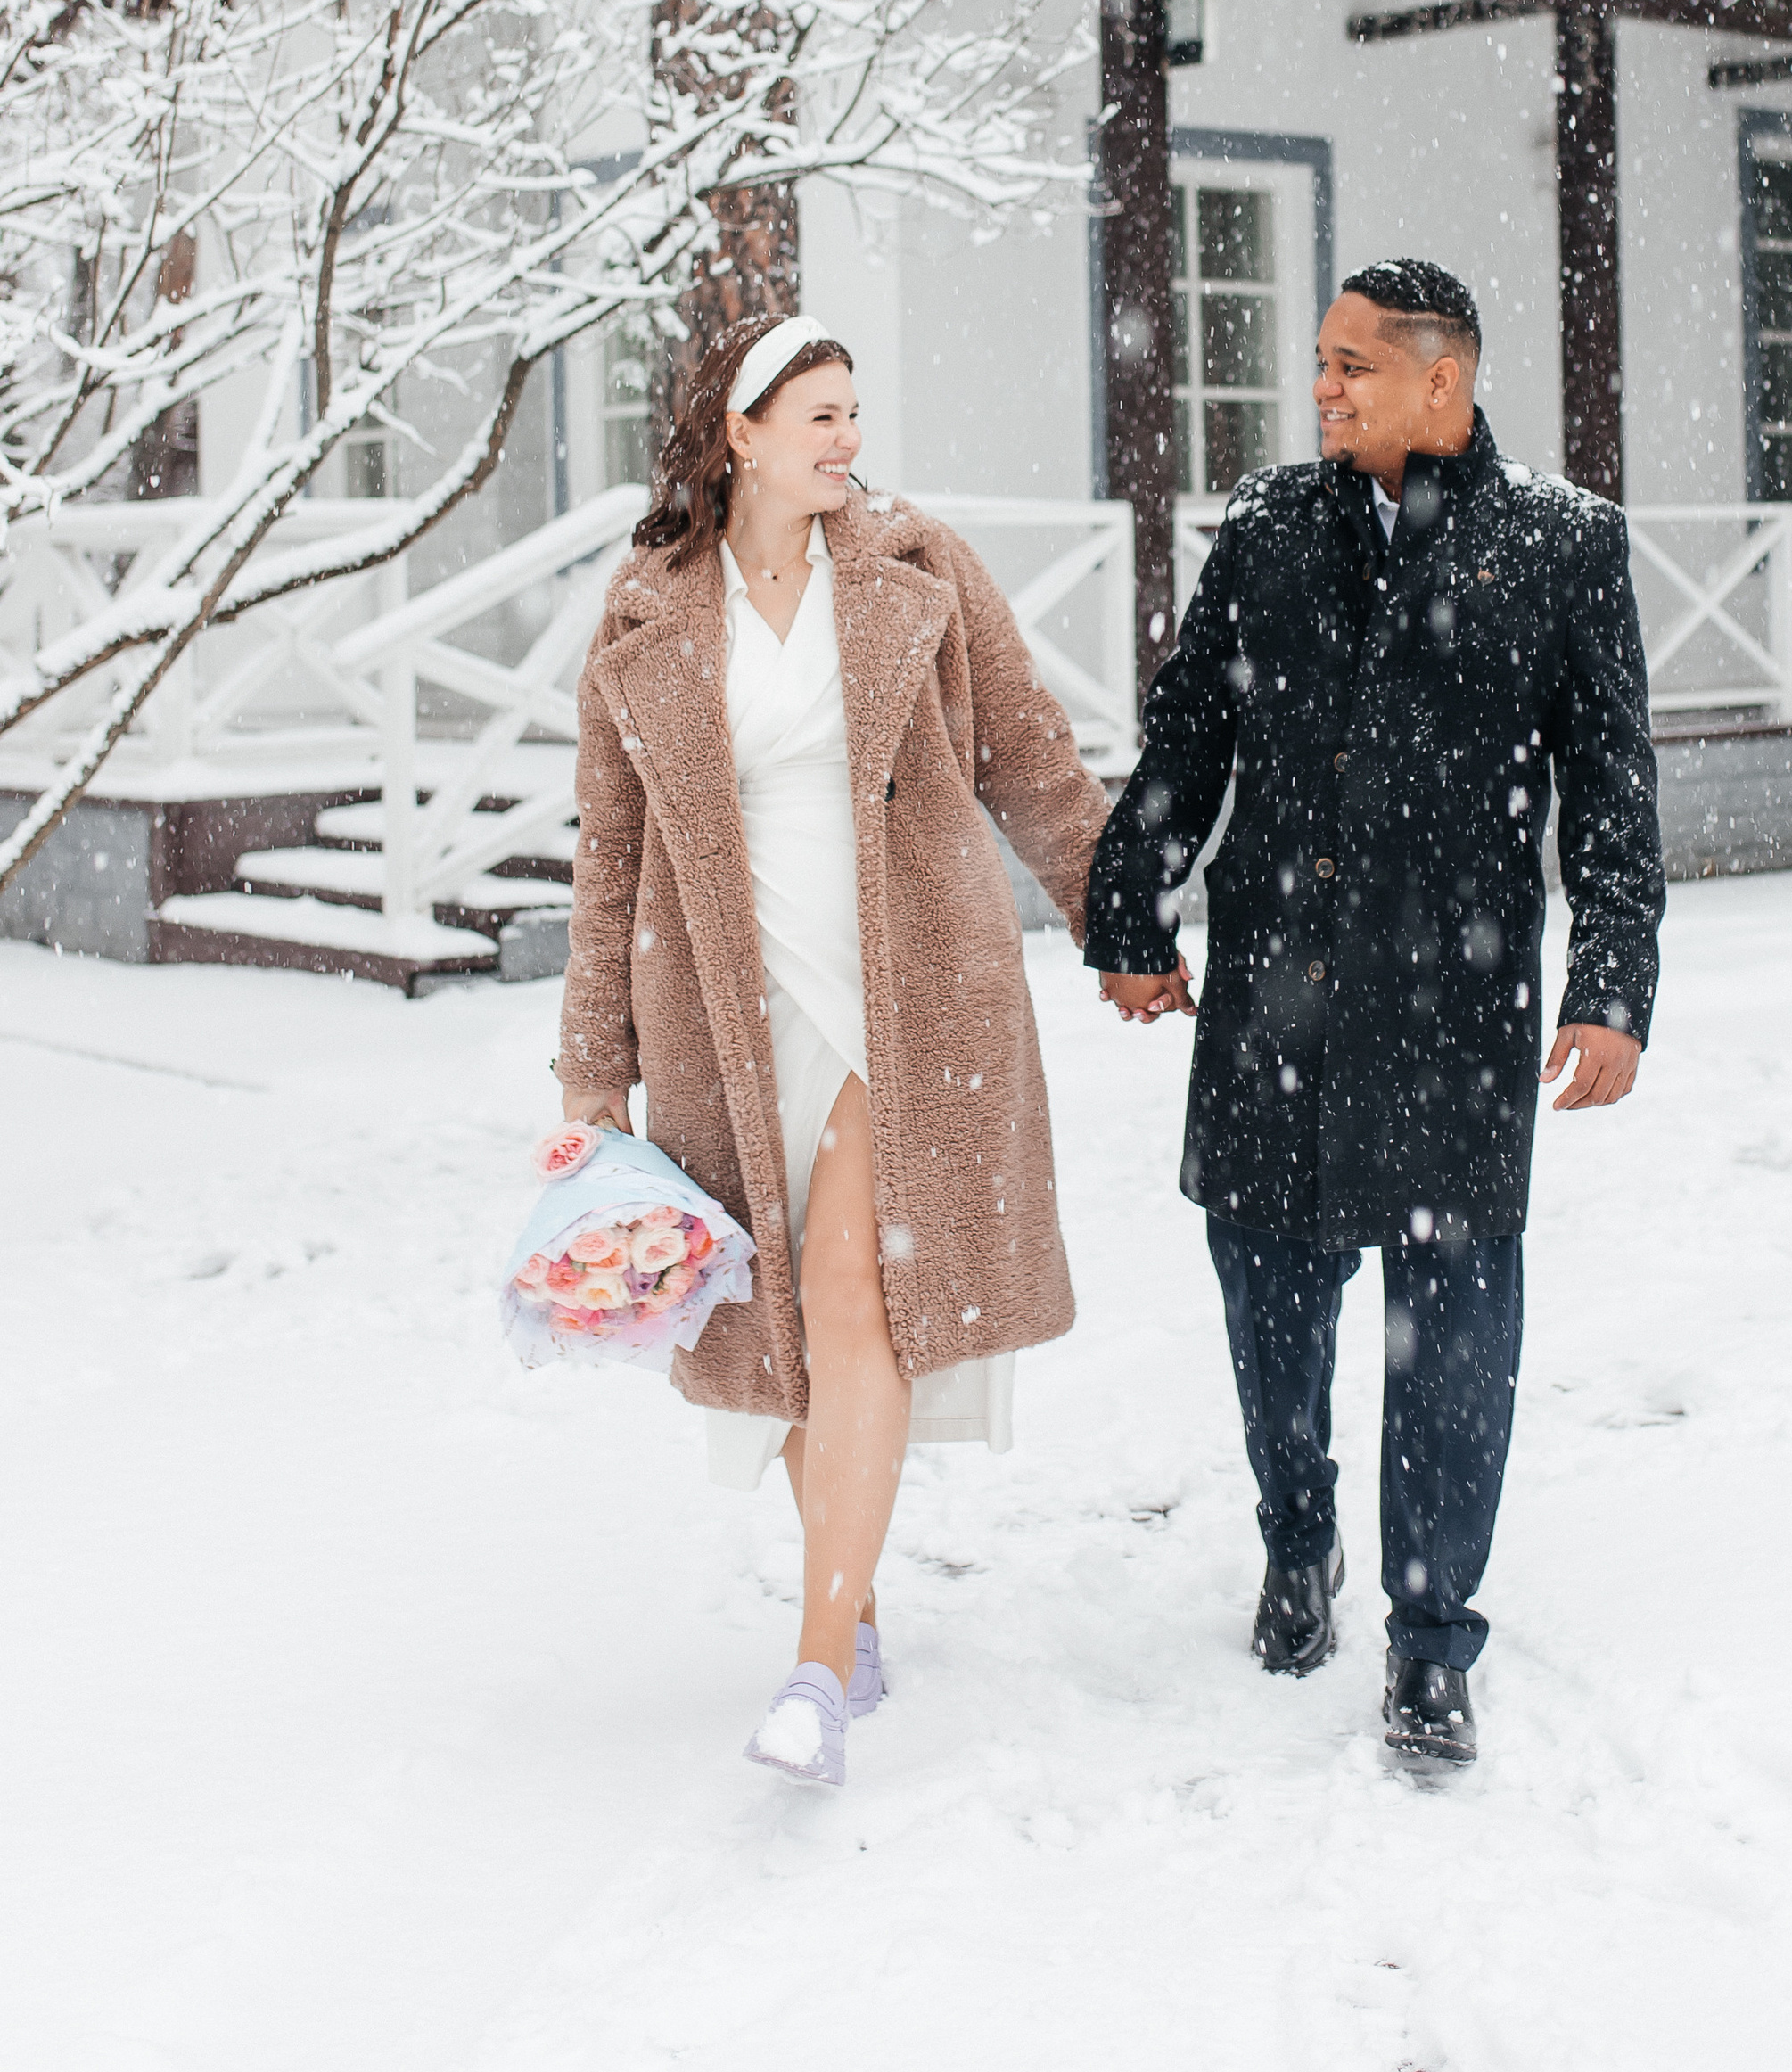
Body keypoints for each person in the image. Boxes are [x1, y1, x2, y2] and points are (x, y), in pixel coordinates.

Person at [1086, 258, 1664, 1769]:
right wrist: (1133, 905)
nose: (1322, 385)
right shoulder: (1271, 527)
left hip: (1454, 1010)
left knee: (1453, 1339)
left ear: (1442, 383)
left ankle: (1428, 1639)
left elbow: (1611, 787)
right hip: (1279, 993)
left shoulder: (1563, 546)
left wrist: (1612, 982)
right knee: (1270, 1303)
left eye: (1352, 364)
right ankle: (1298, 1539)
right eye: (1321, 361)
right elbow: (1190, 727)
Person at [556, 311, 1108, 1789]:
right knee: (794, 1325)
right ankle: (849, 1606)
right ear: (738, 434)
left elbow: (1031, 757)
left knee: (855, 1290)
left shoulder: (919, 566)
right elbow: (609, 861)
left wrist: (1120, 923)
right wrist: (589, 1075)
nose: (849, 439)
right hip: (729, 1011)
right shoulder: (646, 612)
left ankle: (813, 1665)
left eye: (855, 411)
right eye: (818, 415)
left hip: (905, 985)